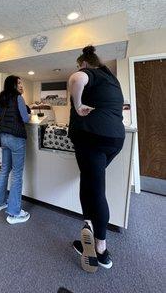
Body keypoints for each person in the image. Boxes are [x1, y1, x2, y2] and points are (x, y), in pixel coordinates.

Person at [68, 45, 125, 273]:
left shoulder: (88, 72)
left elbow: (76, 78)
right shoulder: (112, 80)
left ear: (84, 62)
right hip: (114, 140)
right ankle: (88, 231)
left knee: (95, 189)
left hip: (92, 138)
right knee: (89, 182)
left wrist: (78, 104)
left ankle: (101, 250)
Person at [0, 75, 31, 224]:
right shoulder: (18, 98)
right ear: (13, 85)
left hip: (3, 136)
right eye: (19, 83)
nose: (21, 85)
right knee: (16, 174)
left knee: (4, 170)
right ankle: (14, 213)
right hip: (16, 137)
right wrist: (29, 113)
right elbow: (26, 119)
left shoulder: (3, 97)